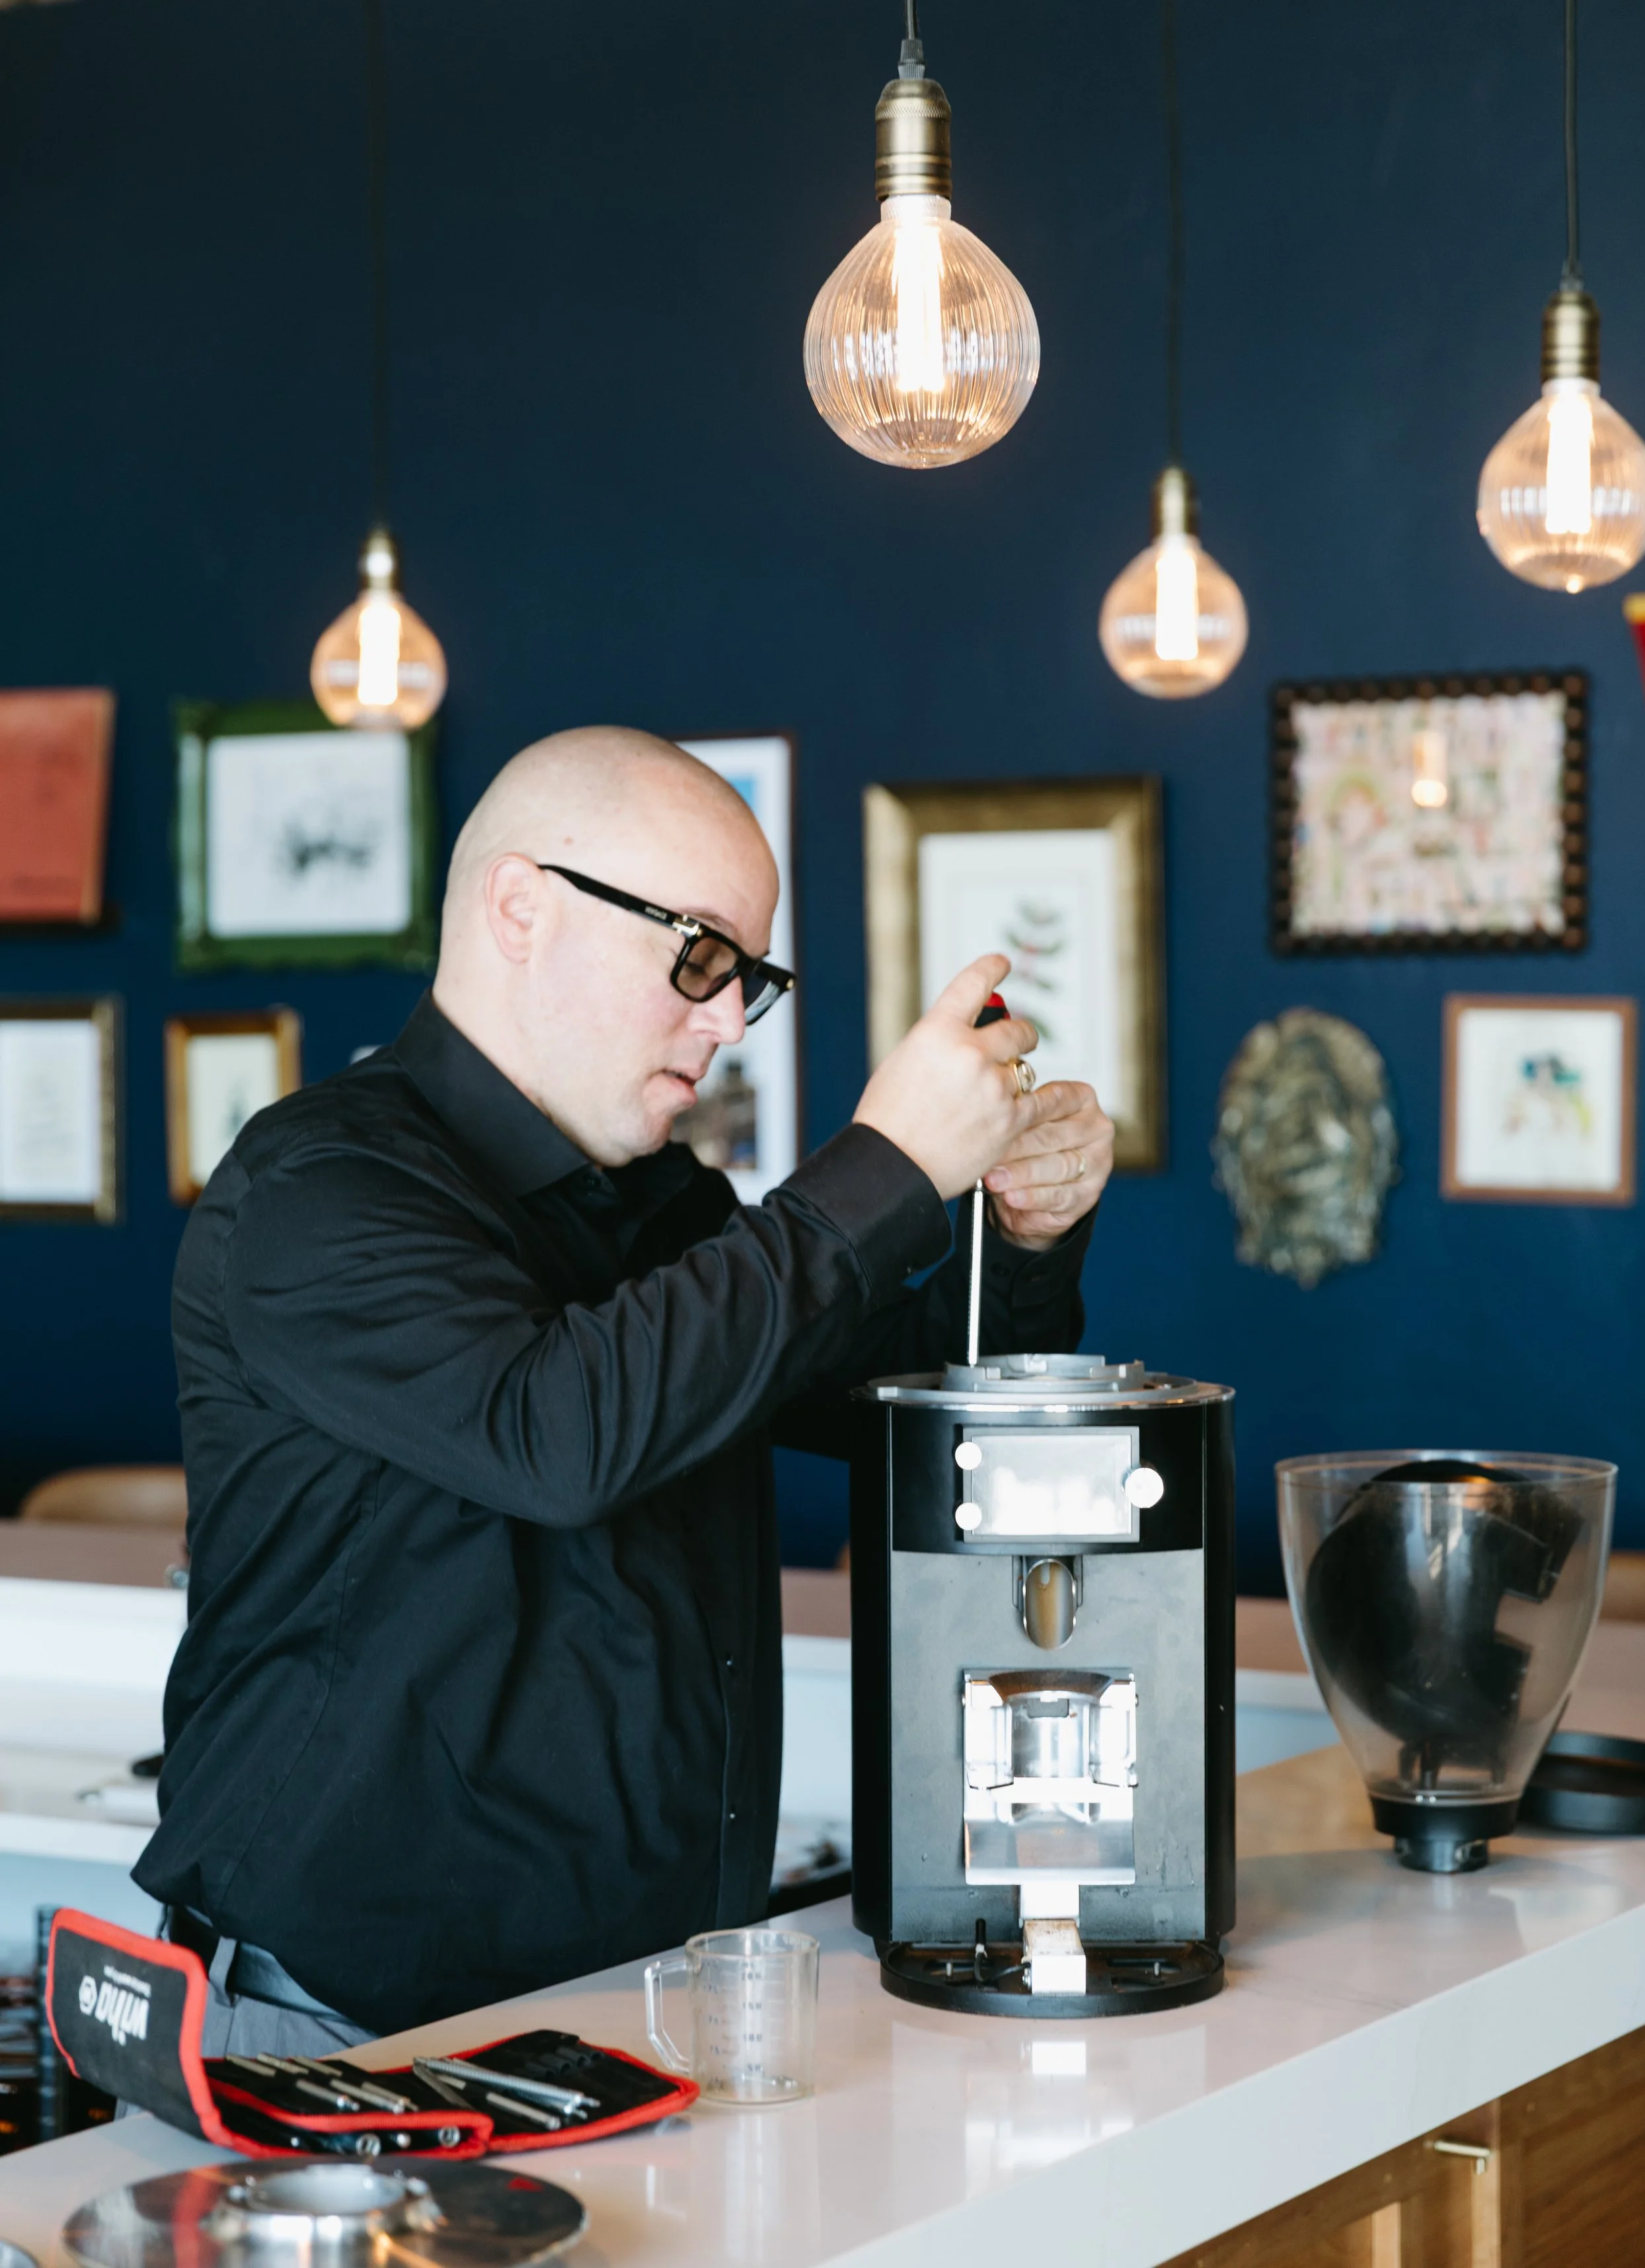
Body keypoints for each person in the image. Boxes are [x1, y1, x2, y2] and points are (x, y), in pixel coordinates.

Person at [135, 727, 1113, 2052]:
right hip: (347, 2028)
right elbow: (559, 1433)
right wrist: (883, 1163)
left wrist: (1025, 1236)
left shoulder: (664, 1206)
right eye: (697, 953)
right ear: (520, 909)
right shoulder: (317, 1189)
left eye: (743, 979)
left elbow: (919, 1416)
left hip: (646, 2005)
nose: (723, 1020)